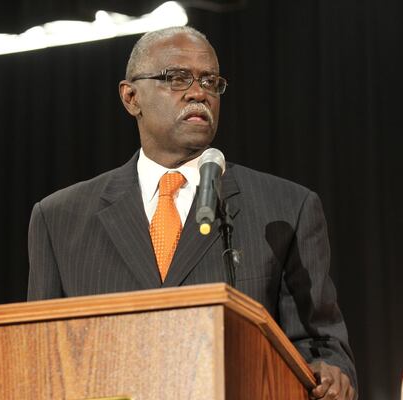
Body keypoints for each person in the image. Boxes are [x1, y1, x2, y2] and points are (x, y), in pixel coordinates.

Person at [27, 26, 357, 399]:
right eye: (177, 78)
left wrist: (328, 373)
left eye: (210, 81)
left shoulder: (285, 209)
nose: (199, 92)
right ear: (131, 97)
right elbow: (42, 356)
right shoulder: (60, 218)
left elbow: (322, 347)